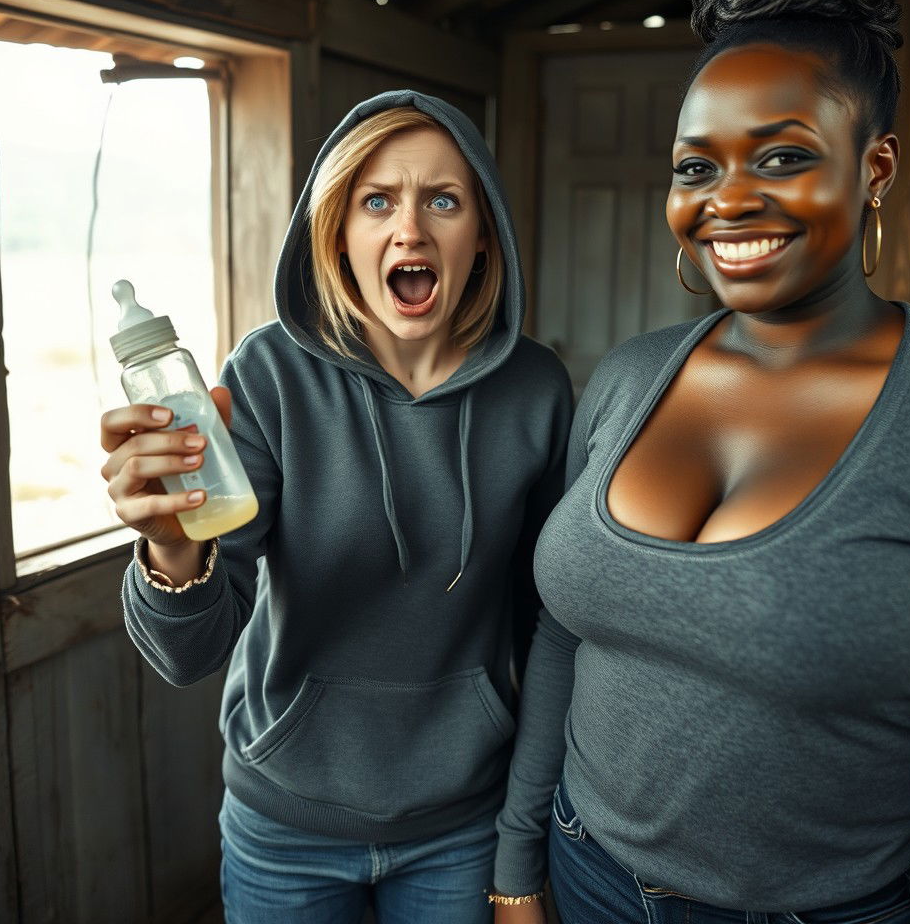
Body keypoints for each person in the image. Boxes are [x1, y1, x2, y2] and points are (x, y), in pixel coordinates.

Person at [491, 0, 910, 923]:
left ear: (875, 166)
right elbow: (561, 638)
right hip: (586, 877)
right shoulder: (630, 378)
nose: (726, 199)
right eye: (694, 165)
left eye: (780, 157)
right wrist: (516, 864)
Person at [99, 90, 572, 924]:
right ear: (338, 233)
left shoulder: (535, 390)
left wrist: (520, 852)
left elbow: (548, 627)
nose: (411, 230)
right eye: (377, 200)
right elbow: (190, 653)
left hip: (462, 822)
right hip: (285, 825)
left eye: (444, 200)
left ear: (483, 232)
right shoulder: (269, 377)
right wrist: (173, 551)